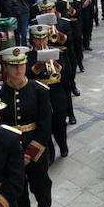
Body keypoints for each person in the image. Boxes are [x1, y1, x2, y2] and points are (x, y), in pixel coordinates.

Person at [0, 46, 57, 207]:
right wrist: (13, 155)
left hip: (37, 150)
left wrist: (30, 153)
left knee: (42, 187)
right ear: (5, 67)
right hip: (11, 153)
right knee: (19, 194)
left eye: (22, 64)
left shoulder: (39, 90)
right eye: (14, 66)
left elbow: (46, 124)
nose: (19, 69)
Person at [28, 24, 69, 160]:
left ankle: (63, 145)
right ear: (32, 40)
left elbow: (66, 72)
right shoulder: (28, 56)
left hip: (56, 93)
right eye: (37, 39)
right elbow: (27, 75)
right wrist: (39, 65)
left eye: (44, 39)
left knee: (60, 123)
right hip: (38, 94)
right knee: (45, 126)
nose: (41, 42)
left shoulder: (56, 52)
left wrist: (53, 63)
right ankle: (50, 153)